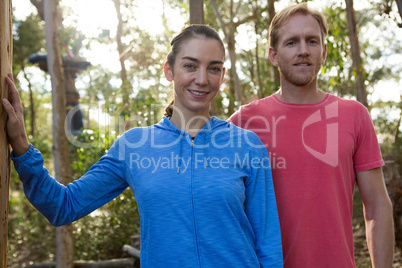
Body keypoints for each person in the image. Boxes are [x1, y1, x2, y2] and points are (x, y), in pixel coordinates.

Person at [2, 25, 283, 267]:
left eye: (214, 69)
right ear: (169, 70)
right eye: (189, 65)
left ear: (222, 75)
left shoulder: (247, 145)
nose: (202, 79)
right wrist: (23, 148)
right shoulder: (134, 147)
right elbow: (63, 206)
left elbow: (268, 245)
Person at [228, 4, 394, 268]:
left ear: (324, 52)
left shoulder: (354, 115)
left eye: (312, 41)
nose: (303, 50)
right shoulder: (244, 122)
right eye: (292, 42)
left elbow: (376, 207)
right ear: (273, 55)